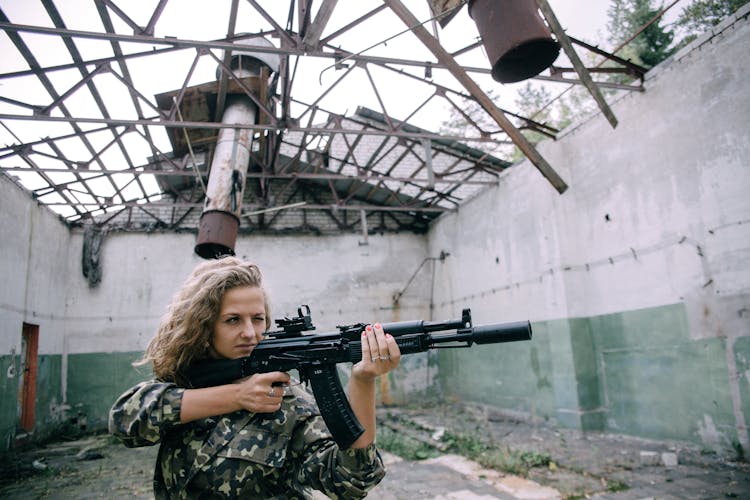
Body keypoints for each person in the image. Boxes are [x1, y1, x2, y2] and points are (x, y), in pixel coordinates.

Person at [109, 256, 401, 499]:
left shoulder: (287, 400)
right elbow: (125, 421)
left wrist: (362, 382)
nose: (250, 333)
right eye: (233, 319)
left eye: (258, 318)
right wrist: (236, 396)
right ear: (203, 327)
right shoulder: (185, 383)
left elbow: (353, 481)